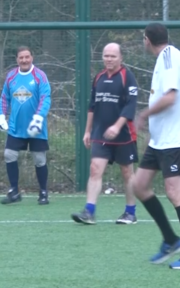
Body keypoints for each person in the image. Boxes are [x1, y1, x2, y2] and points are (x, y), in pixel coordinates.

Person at [130, 23, 180, 269]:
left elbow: (170, 97)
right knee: (139, 185)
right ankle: (172, 240)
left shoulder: (170, 56)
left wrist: (143, 114)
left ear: (147, 39)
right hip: (161, 140)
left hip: (176, 139)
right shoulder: (163, 58)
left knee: (174, 192)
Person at [71, 43, 139, 225]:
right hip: (101, 135)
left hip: (124, 135)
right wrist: (87, 131)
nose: (109, 59)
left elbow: (131, 105)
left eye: (113, 56)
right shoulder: (99, 78)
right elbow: (92, 106)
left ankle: (130, 212)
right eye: (106, 56)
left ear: (121, 58)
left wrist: (117, 126)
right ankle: (89, 211)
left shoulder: (127, 77)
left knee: (127, 172)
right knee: (95, 169)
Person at [0, 46, 52, 205]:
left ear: (32, 57)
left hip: (36, 128)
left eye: (27, 57)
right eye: (21, 57)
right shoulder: (11, 76)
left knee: (39, 159)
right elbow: (4, 98)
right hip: (16, 127)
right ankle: (14, 191)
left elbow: (45, 98)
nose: (24, 60)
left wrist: (39, 118)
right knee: (9, 155)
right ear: (17, 59)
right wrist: (1, 116)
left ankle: (43, 192)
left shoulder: (40, 76)